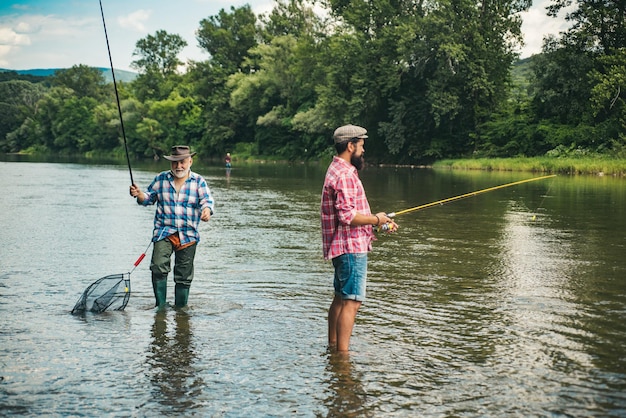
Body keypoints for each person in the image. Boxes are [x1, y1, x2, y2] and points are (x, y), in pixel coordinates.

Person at [321, 124, 398, 352]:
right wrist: (376, 219)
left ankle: (333, 347)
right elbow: (347, 216)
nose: (363, 150)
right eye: (361, 145)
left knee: (340, 298)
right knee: (352, 302)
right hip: (351, 248)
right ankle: (342, 358)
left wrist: (380, 224)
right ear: (351, 145)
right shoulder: (345, 175)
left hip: (342, 245)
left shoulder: (336, 169)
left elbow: (349, 214)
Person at [129, 145, 215, 309]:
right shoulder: (161, 179)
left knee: (183, 276)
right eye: (175, 163)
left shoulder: (198, 181)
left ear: (190, 161)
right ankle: (160, 307)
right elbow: (147, 198)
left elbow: (207, 201)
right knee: (158, 267)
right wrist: (138, 194)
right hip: (164, 233)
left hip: (188, 235)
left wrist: (206, 211)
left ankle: (181, 309)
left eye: (182, 162)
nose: (178, 166)